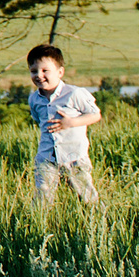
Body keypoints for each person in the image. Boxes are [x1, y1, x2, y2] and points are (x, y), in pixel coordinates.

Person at [25, 45, 102, 206]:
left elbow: (95, 114)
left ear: (60, 72)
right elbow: (39, 120)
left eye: (45, 70)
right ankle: (39, 228)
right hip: (46, 157)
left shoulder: (74, 94)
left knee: (87, 198)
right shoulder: (34, 99)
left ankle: (99, 225)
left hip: (74, 157)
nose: (39, 75)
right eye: (34, 71)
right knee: (42, 199)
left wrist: (71, 122)